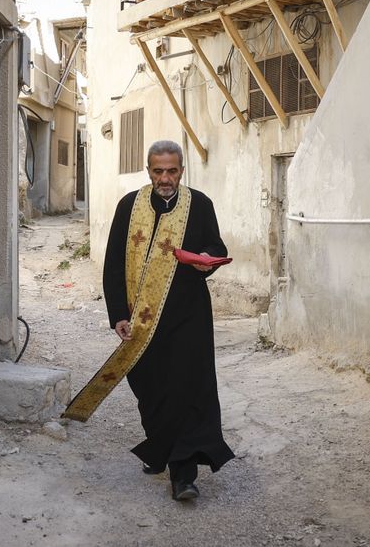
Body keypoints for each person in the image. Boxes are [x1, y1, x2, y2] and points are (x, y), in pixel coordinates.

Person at [102, 139, 235, 501]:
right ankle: (159, 447)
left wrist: (205, 260)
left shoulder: (200, 204)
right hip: (142, 318)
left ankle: (183, 473)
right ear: (148, 171)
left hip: (189, 314)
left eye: (172, 171)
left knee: (186, 388)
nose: (165, 178)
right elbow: (113, 263)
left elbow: (216, 248)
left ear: (181, 170)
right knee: (150, 387)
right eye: (158, 170)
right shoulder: (129, 206)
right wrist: (118, 315)